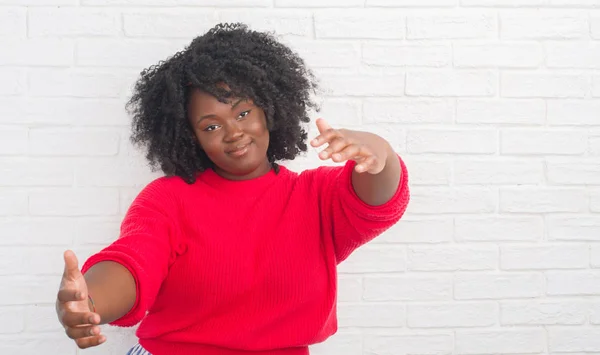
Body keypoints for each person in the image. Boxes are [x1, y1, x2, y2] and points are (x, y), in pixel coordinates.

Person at [55, 23, 410, 355]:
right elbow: (135, 261)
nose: (233, 133)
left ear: (268, 109)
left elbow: (373, 199)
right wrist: (89, 301)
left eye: (243, 114)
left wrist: (379, 153)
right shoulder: (169, 198)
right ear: (190, 137)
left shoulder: (314, 197)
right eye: (211, 126)